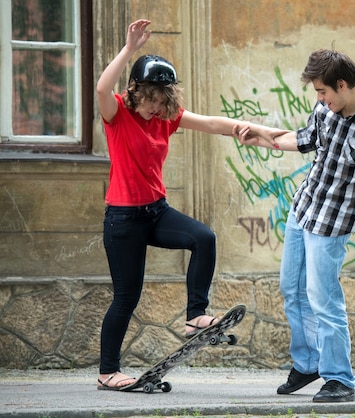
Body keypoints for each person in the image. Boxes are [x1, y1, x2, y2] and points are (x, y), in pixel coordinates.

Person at [96, 19, 283, 390]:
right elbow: (102, 86)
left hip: (156, 211)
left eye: (162, 100)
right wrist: (130, 48)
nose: (156, 106)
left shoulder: (166, 119)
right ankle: (107, 372)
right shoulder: (116, 115)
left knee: (204, 237)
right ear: (135, 91)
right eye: (150, 99)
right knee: (126, 297)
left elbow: (213, 123)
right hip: (123, 220)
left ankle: (195, 315)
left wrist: (254, 130)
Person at [235, 49, 355, 402]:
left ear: (343, 85)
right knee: (293, 291)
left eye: (323, 92)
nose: (319, 100)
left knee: (324, 299)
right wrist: (261, 137)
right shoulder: (325, 111)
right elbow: (303, 140)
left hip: (332, 224)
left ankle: (339, 379)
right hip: (303, 211)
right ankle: (308, 364)